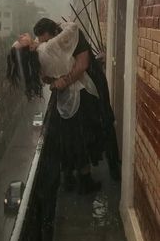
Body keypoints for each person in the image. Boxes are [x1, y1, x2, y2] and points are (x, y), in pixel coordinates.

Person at [7, 21, 105, 194]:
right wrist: (61, 24)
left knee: (72, 140)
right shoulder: (47, 48)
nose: (21, 36)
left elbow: (48, 80)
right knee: (82, 139)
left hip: (64, 101)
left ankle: (70, 179)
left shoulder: (37, 62)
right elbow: (73, 28)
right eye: (20, 41)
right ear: (27, 49)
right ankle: (86, 182)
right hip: (81, 94)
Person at [33, 18, 120, 182]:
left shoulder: (73, 35)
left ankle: (115, 169)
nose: (47, 45)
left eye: (47, 40)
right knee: (72, 132)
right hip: (71, 90)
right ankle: (74, 174)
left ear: (55, 33)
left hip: (92, 82)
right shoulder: (53, 44)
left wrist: (62, 82)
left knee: (104, 120)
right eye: (42, 42)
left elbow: (82, 65)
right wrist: (52, 80)